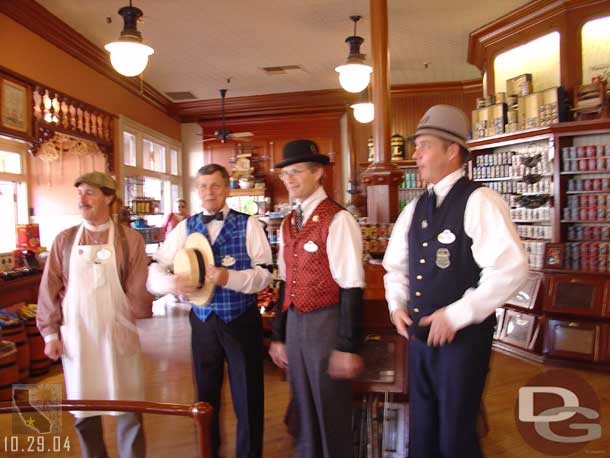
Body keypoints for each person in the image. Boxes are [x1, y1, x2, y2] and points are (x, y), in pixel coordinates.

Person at [383, 105, 528, 458]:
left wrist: (459, 314)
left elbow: (511, 268)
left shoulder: (480, 201)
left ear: (452, 151)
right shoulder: (413, 209)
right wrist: (396, 305)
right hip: (419, 340)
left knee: (456, 436)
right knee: (423, 430)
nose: (415, 155)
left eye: (424, 146)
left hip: (463, 344)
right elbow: (395, 268)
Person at [147, 164, 272, 458]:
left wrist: (231, 278)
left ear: (226, 189)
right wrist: (170, 283)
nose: (209, 192)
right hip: (202, 322)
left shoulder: (249, 224)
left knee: (249, 396)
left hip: (241, 319)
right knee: (205, 398)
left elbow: (265, 273)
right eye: (203, 186)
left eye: (215, 185)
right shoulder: (185, 227)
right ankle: (209, 452)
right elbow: (155, 268)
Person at [37, 171, 153, 458]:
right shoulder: (64, 241)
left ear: (109, 196)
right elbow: (48, 289)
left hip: (118, 335)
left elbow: (139, 289)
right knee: (84, 412)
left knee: (129, 408)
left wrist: (134, 317)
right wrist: (50, 333)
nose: (82, 199)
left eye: (89, 192)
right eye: (79, 193)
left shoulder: (129, 240)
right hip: (79, 339)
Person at [268, 139, 365, 458]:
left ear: (318, 172)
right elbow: (283, 282)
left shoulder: (338, 220)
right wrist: (279, 337)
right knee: (302, 402)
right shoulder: (286, 223)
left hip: (327, 322)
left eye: (297, 172)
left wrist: (347, 346)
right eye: (285, 174)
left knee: (330, 405)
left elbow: (352, 284)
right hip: (296, 322)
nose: (290, 179)